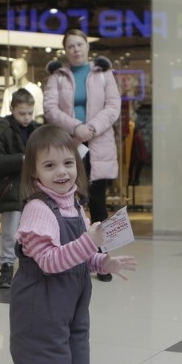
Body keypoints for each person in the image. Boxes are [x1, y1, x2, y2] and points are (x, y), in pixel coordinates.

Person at [0, 125, 137, 364]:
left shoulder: (75, 204)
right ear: (33, 172)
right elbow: (49, 261)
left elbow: (79, 256)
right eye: (49, 166)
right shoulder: (38, 210)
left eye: (67, 163)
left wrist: (102, 262)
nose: (61, 172)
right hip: (39, 306)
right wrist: (91, 240)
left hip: (72, 305)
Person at [44, 29, 121, 281]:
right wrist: (76, 127)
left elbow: (113, 106)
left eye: (79, 44)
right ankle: (75, 257)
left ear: (88, 47)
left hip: (98, 147)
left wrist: (92, 128)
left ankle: (104, 258)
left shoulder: (103, 73)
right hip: (69, 145)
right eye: (70, 46)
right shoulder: (57, 76)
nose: (75, 49)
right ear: (65, 51)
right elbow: (50, 109)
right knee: (70, 204)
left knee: (98, 204)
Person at [0, 88, 40, 288]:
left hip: (34, 187)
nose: (26, 118)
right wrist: (22, 160)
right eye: (22, 113)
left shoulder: (36, 129)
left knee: (35, 229)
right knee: (11, 231)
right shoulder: (3, 128)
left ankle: (32, 267)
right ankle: (7, 267)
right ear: (12, 109)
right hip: (12, 186)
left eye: (29, 113)